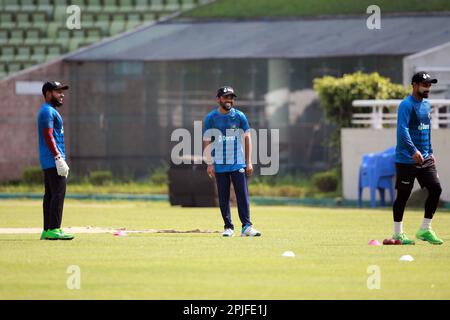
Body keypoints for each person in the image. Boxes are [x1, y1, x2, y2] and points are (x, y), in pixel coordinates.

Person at [391, 71, 443, 245]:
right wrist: (413, 150)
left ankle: (425, 229)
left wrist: (431, 151)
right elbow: (402, 130)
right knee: (403, 196)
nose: (427, 87)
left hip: (426, 157)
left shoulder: (427, 105)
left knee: (436, 189)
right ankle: (398, 234)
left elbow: (426, 130)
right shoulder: (406, 105)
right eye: (424, 84)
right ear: (414, 85)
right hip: (407, 158)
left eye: (429, 85)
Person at [203, 86, 261, 237]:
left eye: (231, 97)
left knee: (242, 194)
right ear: (218, 99)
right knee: (223, 196)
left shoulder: (240, 116)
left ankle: (247, 227)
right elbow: (207, 141)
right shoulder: (210, 118)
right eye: (226, 97)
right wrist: (209, 163)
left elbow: (247, 138)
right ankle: (228, 227)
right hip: (220, 163)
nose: (229, 100)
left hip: (238, 162)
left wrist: (248, 162)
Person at [37, 81, 74, 240]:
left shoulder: (48, 111)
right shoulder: (47, 111)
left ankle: (47, 230)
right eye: (57, 91)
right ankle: (54, 229)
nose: (61, 94)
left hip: (50, 160)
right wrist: (58, 157)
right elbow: (48, 135)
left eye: (62, 91)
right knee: (58, 194)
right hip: (53, 160)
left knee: (50, 195)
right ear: (47, 94)